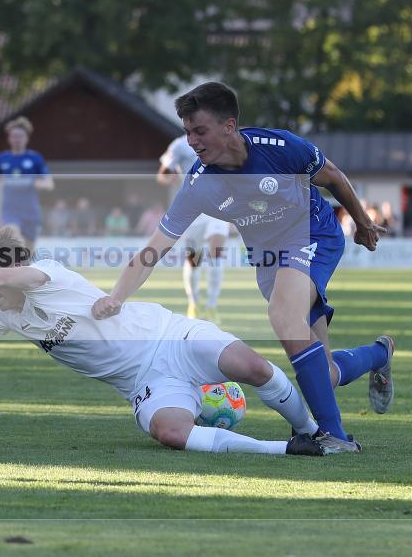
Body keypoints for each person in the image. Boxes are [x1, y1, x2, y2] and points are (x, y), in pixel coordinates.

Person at [93, 82, 394, 452]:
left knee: (284, 316)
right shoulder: (199, 184)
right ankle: (381, 353)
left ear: (229, 126)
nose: (192, 141)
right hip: (270, 259)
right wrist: (115, 298)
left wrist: (362, 223)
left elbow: (333, 177)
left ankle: (334, 439)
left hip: (314, 233)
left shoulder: (280, 148)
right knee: (324, 375)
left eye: (199, 131)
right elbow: (155, 247)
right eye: (187, 132)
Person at [0, 227, 333, 456]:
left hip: (168, 336)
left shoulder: (47, 273)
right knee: (171, 433)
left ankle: (312, 430)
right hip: (142, 382)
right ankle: (287, 450)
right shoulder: (5, 314)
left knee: (250, 367)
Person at [157, 135, 231, 322]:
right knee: (193, 260)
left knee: (217, 251)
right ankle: (194, 303)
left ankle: (212, 306)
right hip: (193, 210)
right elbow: (163, 174)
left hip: (218, 206)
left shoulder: (223, 138)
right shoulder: (180, 145)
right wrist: (170, 179)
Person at [0, 117, 53, 252]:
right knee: (13, 236)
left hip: (30, 210)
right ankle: (13, 268)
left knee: (28, 251)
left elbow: (49, 183)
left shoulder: (35, 158)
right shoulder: (2, 158)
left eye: (20, 136)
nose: (17, 139)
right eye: (14, 136)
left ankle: (23, 269)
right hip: (10, 209)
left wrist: (36, 183)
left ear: (27, 139)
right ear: (9, 138)